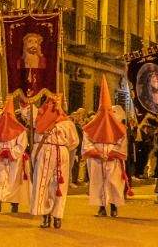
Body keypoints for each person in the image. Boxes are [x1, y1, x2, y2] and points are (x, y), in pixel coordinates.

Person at [28, 94, 79, 228]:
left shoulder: (67, 123)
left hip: (60, 154)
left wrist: (62, 148)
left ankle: (57, 215)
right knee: (42, 183)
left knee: (59, 186)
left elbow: (74, 142)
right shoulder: (38, 120)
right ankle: (45, 215)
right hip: (45, 152)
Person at [83, 77, 128, 217]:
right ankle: (101, 207)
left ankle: (114, 206)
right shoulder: (91, 126)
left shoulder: (119, 127)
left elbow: (122, 142)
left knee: (114, 183)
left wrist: (112, 154)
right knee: (98, 183)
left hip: (112, 159)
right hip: (97, 159)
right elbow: (87, 141)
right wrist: (96, 153)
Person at [0, 95, 32, 214]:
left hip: (14, 160)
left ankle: (14, 203)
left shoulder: (20, 130)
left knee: (15, 181)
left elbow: (22, 145)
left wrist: (11, 153)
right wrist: (0, 152)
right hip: (0, 160)